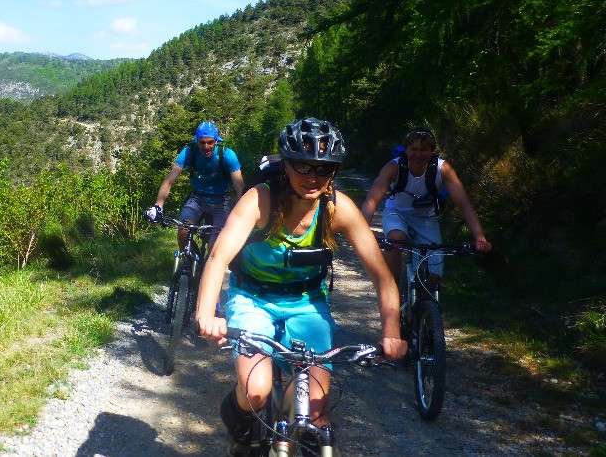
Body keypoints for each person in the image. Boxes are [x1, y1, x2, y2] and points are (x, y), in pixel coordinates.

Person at [195, 117, 406, 456]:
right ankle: (239, 427)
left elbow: (382, 275)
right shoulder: (260, 200)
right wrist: (207, 314)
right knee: (258, 391)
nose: (312, 178)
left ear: (333, 172)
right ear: (287, 165)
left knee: (315, 411)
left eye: (323, 170)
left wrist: (392, 331)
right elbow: (218, 257)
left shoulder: (338, 209)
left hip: (307, 303)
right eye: (303, 167)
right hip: (253, 298)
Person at [360, 128, 492, 290]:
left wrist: (480, 237)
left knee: (433, 278)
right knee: (396, 238)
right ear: (406, 149)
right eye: (413, 149)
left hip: (427, 219)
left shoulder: (442, 170)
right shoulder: (394, 167)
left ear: (432, 151)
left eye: (424, 149)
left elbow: (464, 205)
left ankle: (425, 309)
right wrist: (362, 231)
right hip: (397, 213)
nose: (418, 154)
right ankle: (392, 290)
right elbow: (371, 200)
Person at [145, 120, 245, 248]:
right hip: (197, 199)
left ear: (216, 141)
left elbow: (239, 186)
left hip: (221, 201)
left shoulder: (227, 155)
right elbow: (169, 180)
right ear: (196, 141)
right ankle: (187, 262)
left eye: (210, 142)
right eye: (202, 142)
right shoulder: (189, 152)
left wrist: (240, 213)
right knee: (183, 230)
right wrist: (158, 206)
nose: (206, 147)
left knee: (216, 246)